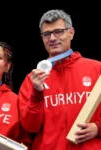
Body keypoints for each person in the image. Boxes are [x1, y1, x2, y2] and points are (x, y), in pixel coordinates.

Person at [18, 9, 101, 149]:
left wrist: (98, 128)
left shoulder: (97, 69)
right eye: (46, 34)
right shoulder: (33, 79)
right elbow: (30, 127)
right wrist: (36, 94)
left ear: (71, 33)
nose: (52, 38)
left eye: (58, 31)